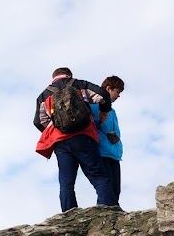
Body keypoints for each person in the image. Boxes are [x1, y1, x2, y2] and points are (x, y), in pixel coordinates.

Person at [34, 67, 116, 212]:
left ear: (54, 77)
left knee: (66, 183)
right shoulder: (79, 84)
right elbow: (103, 94)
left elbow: (38, 122)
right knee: (98, 177)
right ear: (69, 75)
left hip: (61, 143)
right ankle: (108, 211)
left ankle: (68, 217)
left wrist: (57, 129)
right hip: (85, 136)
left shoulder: (43, 95)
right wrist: (104, 110)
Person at [91, 76, 124, 208]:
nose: (118, 96)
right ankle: (103, 218)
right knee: (106, 188)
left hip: (114, 154)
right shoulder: (94, 105)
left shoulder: (113, 111)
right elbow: (101, 126)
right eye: (117, 92)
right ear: (108, 89)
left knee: (116, 189)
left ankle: (114, 217)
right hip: (102, 152)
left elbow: (116, 132)